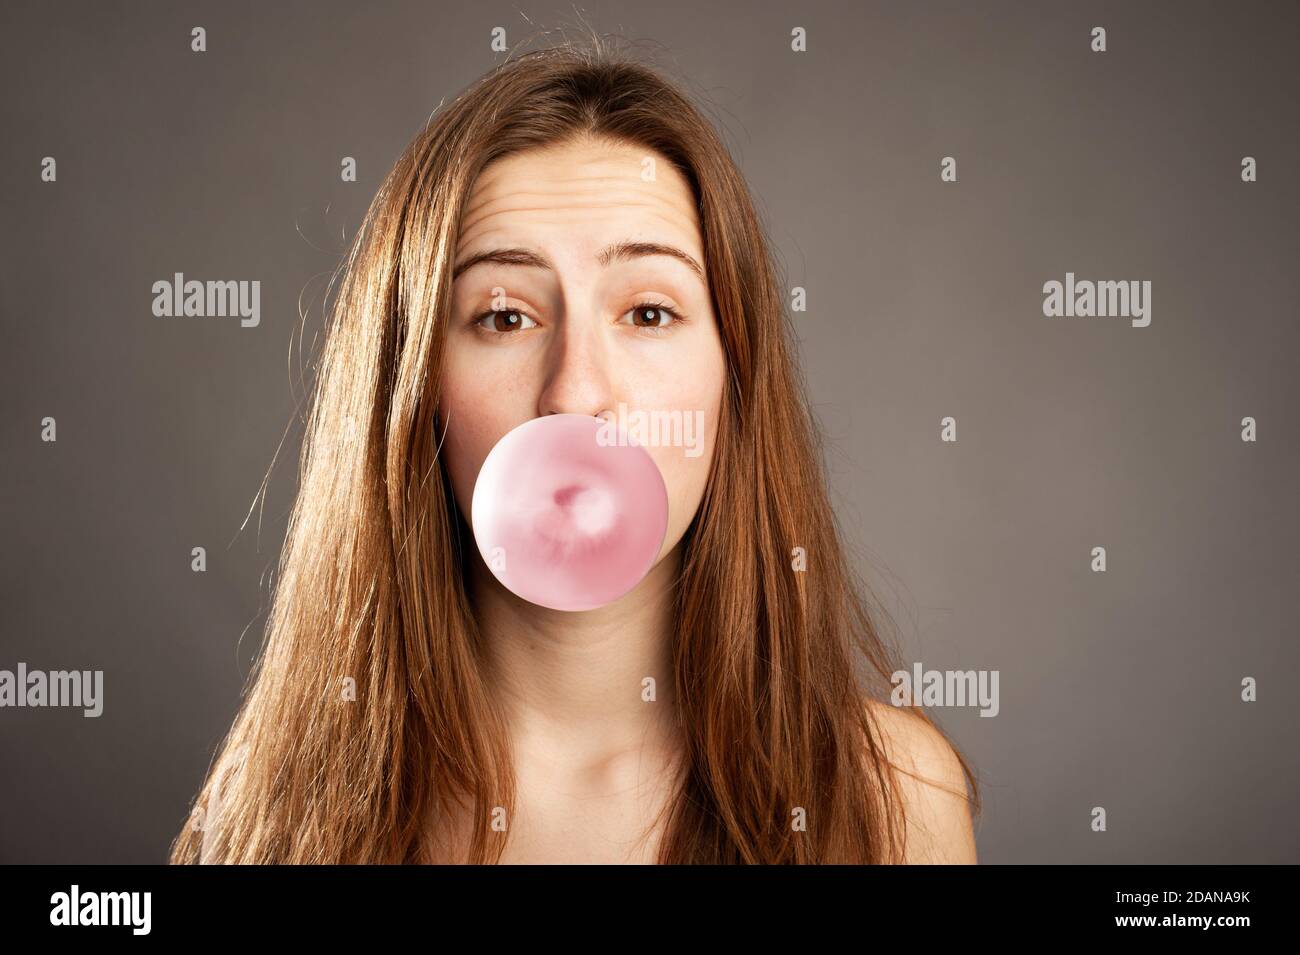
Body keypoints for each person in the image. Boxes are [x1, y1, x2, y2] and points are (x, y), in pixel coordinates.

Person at [170, 36, 979, 865]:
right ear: (412, 391)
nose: (577, 393)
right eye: (505, 316)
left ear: (734, 376)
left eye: (648, 312)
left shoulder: (893, 799)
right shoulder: (271, 805)